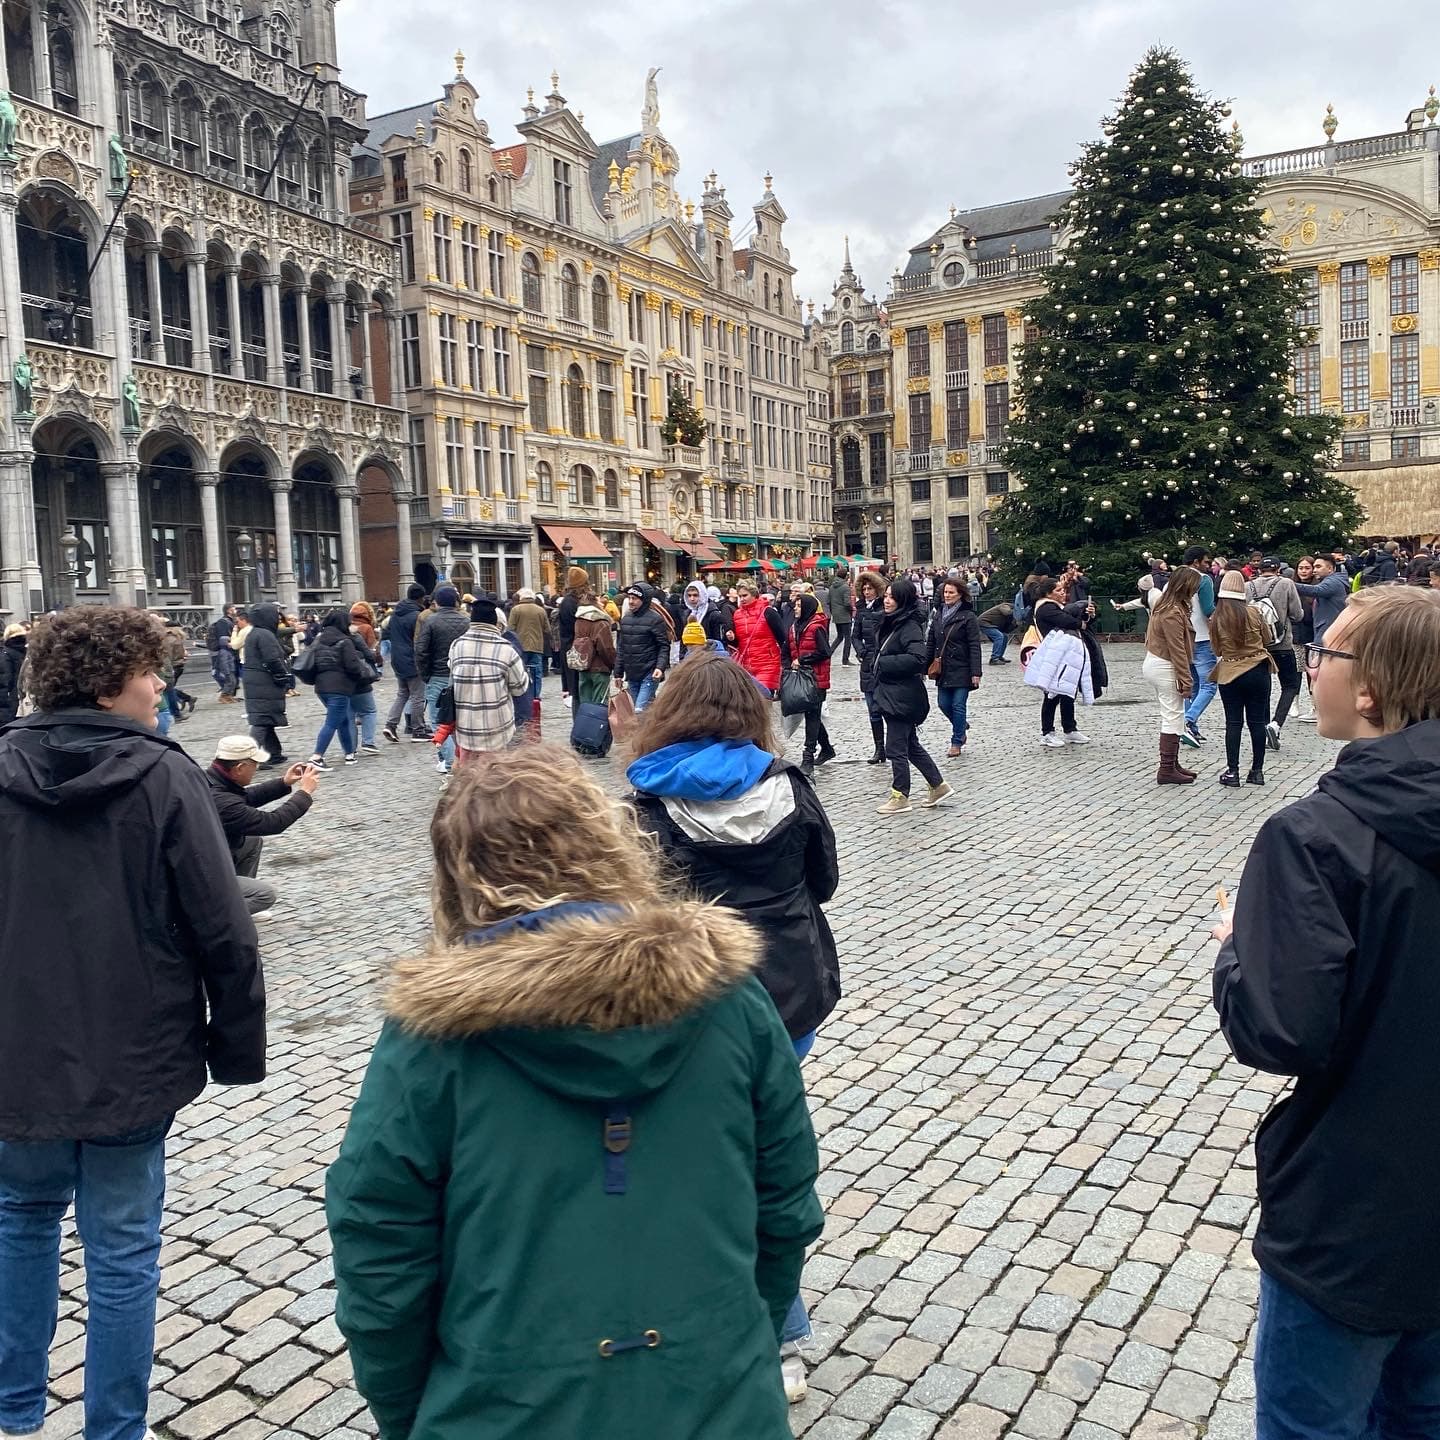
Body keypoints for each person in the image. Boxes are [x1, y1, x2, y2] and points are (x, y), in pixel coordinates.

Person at [327, 747, 822, 1439]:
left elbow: (379, 1249)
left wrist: (410, 1412)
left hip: (500, 1409)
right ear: (608, 839)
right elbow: (788, 1203)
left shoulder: (430, 1040)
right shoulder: (731, 999)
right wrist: (736, 1344)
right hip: (718, 1395)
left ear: (458, 875)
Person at [0, 606, 263, 1440]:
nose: (161, 687)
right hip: (134, 1049)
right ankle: (113, 1429)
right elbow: (223, 927)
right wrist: (235, 1046)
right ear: (110, 681)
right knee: (119, 1249)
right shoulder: (166, 775)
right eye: (151, 673)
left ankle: (13, 1410)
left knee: (22, 1216)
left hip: (16, 1048)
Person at [1212, 587, 1440, 1440]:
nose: (1309, 667)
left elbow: (1280, 1030)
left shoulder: (1316, 837)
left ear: (1372, 686)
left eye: (1326, 656)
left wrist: (1239, 945)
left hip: (1355, 1215)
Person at [627, 651, 838, 1402]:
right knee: (765, 1151)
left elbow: (634, 913)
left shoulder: (643, 807)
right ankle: (778, 1333)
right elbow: (824, 882)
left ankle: (755, 1327)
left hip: (696, 1001)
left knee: (715, 1158)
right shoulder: (789, 785)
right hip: (790, 992)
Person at [206, 736, 318, 915]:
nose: (256, 769)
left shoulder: (213, 780)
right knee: (264, 895)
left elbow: (244, 798)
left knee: (251, 841)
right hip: (200, 873)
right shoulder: (221, 800)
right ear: (240, 768)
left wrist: (284, 783)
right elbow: (273, 823)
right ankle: (216, 916)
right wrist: (304, 793)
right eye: (254, 765)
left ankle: (237, 898)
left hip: (211, 856)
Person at [873, 578, 951, 815]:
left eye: (892, 597)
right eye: (886, 596)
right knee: (910, 745)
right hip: (892, 692)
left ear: (903, 600)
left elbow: (918, 659)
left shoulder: (909, 626)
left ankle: (900, 795)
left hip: (902, 696)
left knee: (896, 747)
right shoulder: (893, 622)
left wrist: (883, 663)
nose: (887, 600)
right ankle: (938, 785)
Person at [1209, 570, 1276, 788]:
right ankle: (1257, 772)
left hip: (1230, 673)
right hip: (1258, 669)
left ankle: (1233, 772)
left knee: (1233, 723)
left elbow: (1217, 649)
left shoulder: (1217, 618)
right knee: (1257, 722)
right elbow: (1267, 638)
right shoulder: (1255, 612)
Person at [447, 593, 531, 762]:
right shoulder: (506, 649)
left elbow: (452, 677)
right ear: (495, 623)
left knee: (467, 776)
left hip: (466, 726)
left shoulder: (457, 646)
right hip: (497, 727)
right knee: (493, 778)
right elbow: (519, 688)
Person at [1142, 565, 1201, 785]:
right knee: (1172, 715)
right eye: (1194, 587)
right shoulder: (1172, 611)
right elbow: (1177, 649)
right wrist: (1186, 680)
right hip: (1164, 664)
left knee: (1173, 713)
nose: (1195, 592)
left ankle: (1172, 764)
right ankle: (1166, 768)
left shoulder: (1166, 606)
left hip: (1158, 662)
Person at [1247, 557, 1304, 753]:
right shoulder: (1286, 583)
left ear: (1259, 569)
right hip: (1282, 644)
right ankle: (1276, 724)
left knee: (1263, 687)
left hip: (1258, 646)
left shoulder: (1249, 586)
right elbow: (1297, 614)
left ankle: (1263, 729)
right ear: (1278, 569)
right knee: (1290, 685)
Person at [1032, 576, 1093, 747]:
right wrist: (1080, 620)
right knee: (1052, 693)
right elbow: (1067, 621)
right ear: (1048, 594)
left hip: (1066, 654)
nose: (1063, 593)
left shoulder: (1057, 606)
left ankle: (1070, 728)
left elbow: (1075, 620)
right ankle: (1047, 732)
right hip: (1054, 654)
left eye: (1063, 590)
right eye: (1058, 590)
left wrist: (1087, 616)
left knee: (1068, 691)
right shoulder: (1045, 608)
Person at [415, 585, 470, 773]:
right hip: (462, 676)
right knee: (462, 721)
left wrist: (426, 675)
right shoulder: (467, 621)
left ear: (437, 602)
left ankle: (448, 762)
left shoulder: (430, 621)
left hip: (438, 675)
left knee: (439, 721)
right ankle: (461, 759)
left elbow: (421, 650)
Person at [926, 577, 982, 758]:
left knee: (958, 705)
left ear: (960, 594)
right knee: (943, 704)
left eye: (951, 592)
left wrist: (976, 672)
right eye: (945, 592)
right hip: (944, 668)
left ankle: (956, 741)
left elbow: (974, 644)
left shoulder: (968, 616)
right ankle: (961, 725)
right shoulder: (938, 614)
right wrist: (924, 666)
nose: (947, 595)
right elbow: (931, 642)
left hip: (962, 667)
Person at [307, 609, 369, 770]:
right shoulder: (345, 641)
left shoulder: (319, 639)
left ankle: (349, 753)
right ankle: (316, 757)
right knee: (332, 722)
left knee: (343, 720)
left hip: (321, 686)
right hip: (340, 687)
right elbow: (352, 667)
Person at [238, 601, 294, 765]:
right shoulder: (264, 634)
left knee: (266, 719)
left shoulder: (256, 633)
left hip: (256, 679)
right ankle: (248, 759)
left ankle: (273, 753)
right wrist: (282, 675)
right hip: (264, 681)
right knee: (262, 720)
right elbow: (272, 659)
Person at [788, 594, 835, 777]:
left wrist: (803, 659)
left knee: (812, 715)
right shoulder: (794, 627)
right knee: (811, 714)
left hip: (817, 679)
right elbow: (788, 649)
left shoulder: (816, 628)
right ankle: (827, 748)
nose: (795, 608)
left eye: (799, 605)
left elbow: (825, 652)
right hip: (802, 677)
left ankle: (808, 756)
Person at [1181, 546, 1218, 748]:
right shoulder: (1202, 580)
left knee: (1190, 686)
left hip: (1183, 637)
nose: (1208, 565)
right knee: (1209, 685)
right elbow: (1208, 609)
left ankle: (1190, 728)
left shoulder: (1174, 580)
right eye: (1205, 562)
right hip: (1202, 637)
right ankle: (1188, 720)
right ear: (1196, 562)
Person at [382, 584, 429, 743]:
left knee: (403, 693)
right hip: (411, 658)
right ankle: (418, 729)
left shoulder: (396, 614)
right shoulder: (417, 616)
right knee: (417, 696)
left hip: (397, 658)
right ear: (421, 598)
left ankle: (391, 724)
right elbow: (420, 640)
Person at [615, 583, 672, 711]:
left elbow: (663, 645)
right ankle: (658, 727)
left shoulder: (655, 619)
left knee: (639, 710)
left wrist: (660, 667)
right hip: (632, 673)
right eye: (629, 598)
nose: (631, 601)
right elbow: (621, 648)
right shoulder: (626, 619)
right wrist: (618, 673)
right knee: (644, 709)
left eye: (634, 599)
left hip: (649, 672)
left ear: (644, 600)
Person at [730, 578, 788, 699]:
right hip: (746, 666)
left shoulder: (768, 612)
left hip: (768, 664)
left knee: (763, 700)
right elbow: (738, 642)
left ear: (754, 594)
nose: (742, 599)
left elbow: (782, 637)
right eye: (740, 596)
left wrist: (786, 661)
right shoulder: (737, 614)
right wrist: (731, 637)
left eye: (745, 595)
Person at [348, 601, 383, 756]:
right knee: (369, 710)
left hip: (343, 676)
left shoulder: (343, 628)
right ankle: (368, 742)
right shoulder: (366, 628)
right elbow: (371, 649)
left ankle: (350, 747)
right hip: (361, 674)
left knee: (348, 714)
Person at [1294, 553, 1352, 648]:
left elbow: (1316, 590)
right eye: (1314, 567)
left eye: (1318, 567)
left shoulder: (1333, 582)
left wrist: (1289, 584)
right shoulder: (1332, 580)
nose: (1314, 571)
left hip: (1328, 629)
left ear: (1330, 569)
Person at [507, 587, 550, 706]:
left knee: (521, 672)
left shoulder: (516, 610)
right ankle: (536, 696)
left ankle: (524, 695)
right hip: (537, 645)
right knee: (537, 672)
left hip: (520, 646)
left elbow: (510, 628)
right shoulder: (540, 610)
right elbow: (547, 629)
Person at [556, 565, 590, 709]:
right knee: (578, 692)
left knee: (579, 691)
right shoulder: (570, 603)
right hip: (574, 651)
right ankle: (580, 725)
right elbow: (575, 628)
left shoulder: (570, 601)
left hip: (574, 649)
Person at [1291, 556, 1317, 723]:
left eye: (1307, 568)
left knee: (1311, 672)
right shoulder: (1291, 587)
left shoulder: (1317, 588)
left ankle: (1315, 704)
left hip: (1312, 634)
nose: (1303, 571)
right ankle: (1294, 702)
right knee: (1295, 670)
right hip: (1295, 633)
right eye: (1301, 568)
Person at [206, 602, 239, 702]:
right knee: (228, 673)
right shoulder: (223, 622)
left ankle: (229, 695)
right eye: (235, 608)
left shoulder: (231, 621)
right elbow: (223, 638)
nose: (236, 611)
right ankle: (225, 694)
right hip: (224, 651)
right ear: (229, 610)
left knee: (232, 673)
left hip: (229, 651)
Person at [682, 580, 726, 646]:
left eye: (695, 595)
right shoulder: (687, 614)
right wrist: (683, 656)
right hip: (690, 653)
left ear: (702, 595)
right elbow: (683, 639)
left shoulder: (713, 614)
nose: (692, 599)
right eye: (689, 595)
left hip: (708, 653)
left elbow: (719, 641)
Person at [828, 564, 854, 665]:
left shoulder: (831, 587)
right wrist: (851, 610)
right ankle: (845, 659)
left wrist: (833, 612)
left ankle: (828, 654)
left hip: (836, 614)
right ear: (845, 576)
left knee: (839, 637)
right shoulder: (845, 587)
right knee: (848, 638)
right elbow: (847, 602)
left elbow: (829, 601)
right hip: (844, 615)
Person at [0, 622, 26, 725]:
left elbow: (5, 681)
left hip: (9, 702)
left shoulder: (5, 653)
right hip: (24, 700)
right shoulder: (30, 651)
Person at [976, 597, 1015, 665]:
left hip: (989, 624)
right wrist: (1017, 612)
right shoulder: (1005, 605)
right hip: (984, 622)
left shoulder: (1010, 616)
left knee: (1004, 636)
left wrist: (1016, 623)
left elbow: (1007, 630)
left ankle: (999, 656)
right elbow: (1006, 612)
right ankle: (994, 658)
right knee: (999, 636)